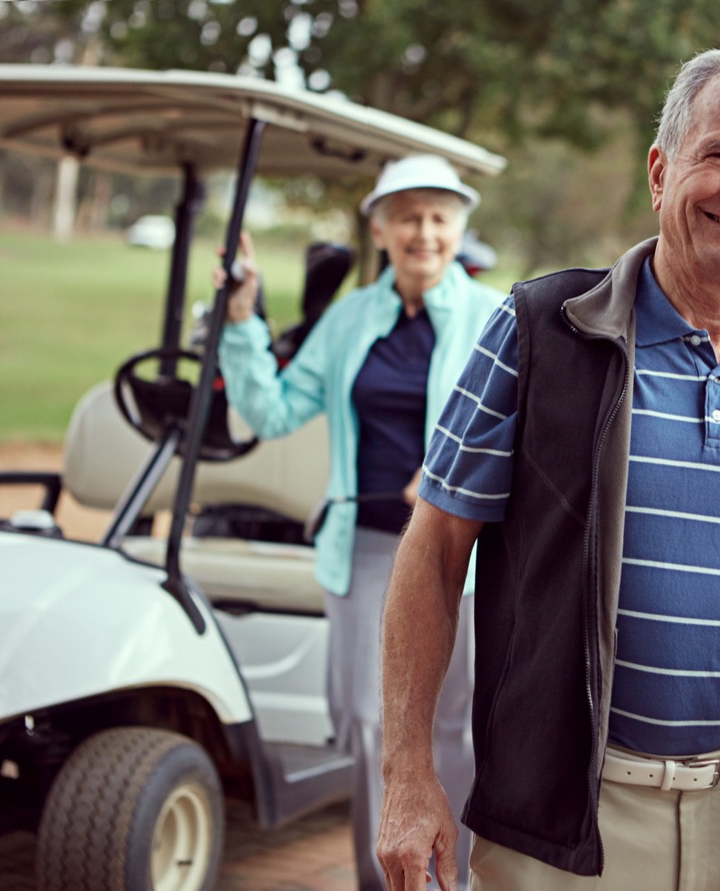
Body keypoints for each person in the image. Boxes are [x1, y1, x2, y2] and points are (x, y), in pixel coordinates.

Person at [376, 47, 720, 891]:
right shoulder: (541, 331)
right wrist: (406, 773)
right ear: (661, 172)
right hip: (562, 828)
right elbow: (435, 549)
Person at [215, 154, 504, 891]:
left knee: (453, 730)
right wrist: (243, 319)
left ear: (461, 226)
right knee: (371, 728)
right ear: (379, 227)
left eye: (440, 216)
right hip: (365, 549)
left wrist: (448, 468)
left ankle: (455, 882)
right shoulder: (349, 321)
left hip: (456, 554)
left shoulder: (494, 317)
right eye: (407, 216)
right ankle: (387, 882)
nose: (425, 232)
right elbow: (272, 410)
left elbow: (528, 432)